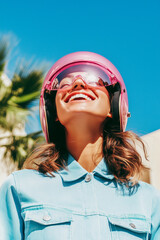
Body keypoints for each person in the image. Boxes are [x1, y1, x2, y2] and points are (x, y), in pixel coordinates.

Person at [0, 51, 160, 240]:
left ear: (113, 106)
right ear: (55, 113)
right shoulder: (18, 187)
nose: (78, 83)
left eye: (95, 79)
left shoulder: (148, 200)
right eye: (64, 82)